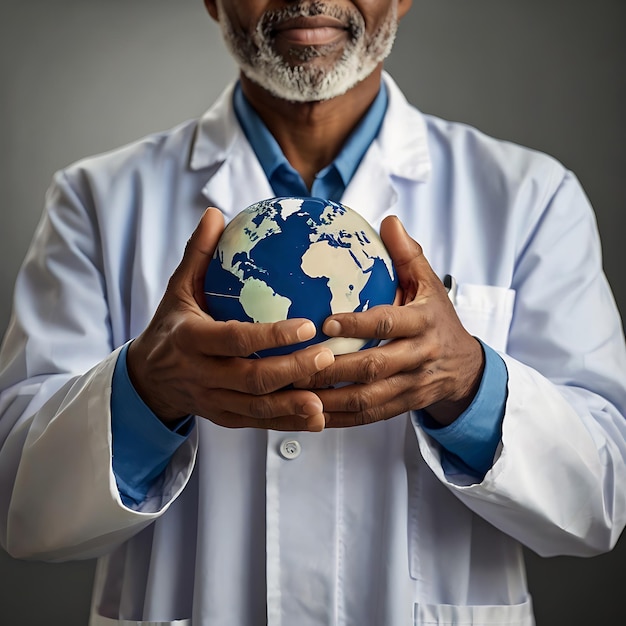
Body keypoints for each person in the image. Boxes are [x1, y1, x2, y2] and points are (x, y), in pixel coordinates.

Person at [0, 0, 625, 624]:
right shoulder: (94, 200)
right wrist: (144, 390)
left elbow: (603, 494)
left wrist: (469, 385)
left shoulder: (532, 197)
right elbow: (18, 500)